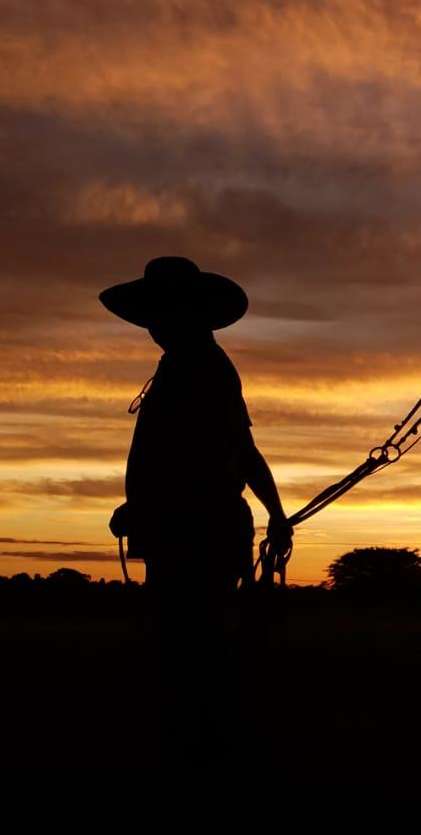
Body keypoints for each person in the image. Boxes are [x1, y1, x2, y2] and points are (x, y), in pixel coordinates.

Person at [101, 256, 292, 751]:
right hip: (193, 529)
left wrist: (143, 505)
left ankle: (203, 744)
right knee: (193, 643)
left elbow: (221, 454)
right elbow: (242, 450)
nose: (155, 326)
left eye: (162, 313)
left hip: (194, 531)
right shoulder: (191, 364)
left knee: (189, 644)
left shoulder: (200, 367)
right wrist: (275, 512)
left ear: (186, 313)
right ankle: (207, 738)